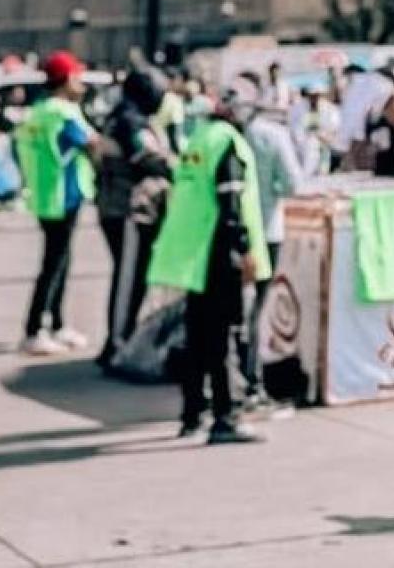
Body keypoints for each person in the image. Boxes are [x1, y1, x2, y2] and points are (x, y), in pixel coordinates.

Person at [147, 93, 272, 445]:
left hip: (197, 252)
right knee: (224, 337)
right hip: (221, 252)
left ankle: (193, 413)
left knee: (198, 336)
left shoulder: (200, 137)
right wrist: (244, 250)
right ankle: (226, 417)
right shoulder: (229, 143)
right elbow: (231, 201)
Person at [16, 52, 101, 357]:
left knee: (59, 260)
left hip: (44, 193)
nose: (82, 84)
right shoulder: (64, 112)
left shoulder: (38, 112)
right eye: (77, 77)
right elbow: (91, 143)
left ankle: (57, 323)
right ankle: (35, 327)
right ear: (65, 80)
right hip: (64, 194)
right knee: (54, 263)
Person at [95, 69, 175, 369]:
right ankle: (117, 343)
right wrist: (180, 168)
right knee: (128, 278)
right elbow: (147, 158)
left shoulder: (122, 116)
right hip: (128, 211)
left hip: (124, 209)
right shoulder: (130, 121)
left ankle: (120, 338)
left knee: (133, 277)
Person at [239, 77, 308, 410]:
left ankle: (232, 381)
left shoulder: (219, 135)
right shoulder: (271, 135)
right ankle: (250, 384)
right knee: (254, 311)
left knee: (233, 310)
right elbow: (294, 184)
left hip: (224, 231)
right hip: (264, 230)